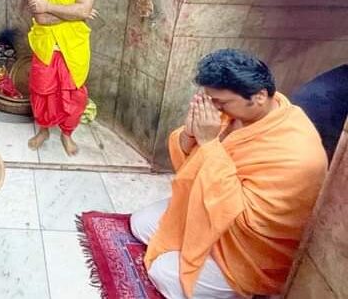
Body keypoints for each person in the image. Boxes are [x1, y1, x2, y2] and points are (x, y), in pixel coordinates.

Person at [130, 49, 328, 299]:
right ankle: (191, 248)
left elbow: (244, 220)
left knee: (163, 271)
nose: (214, 108)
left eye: (221, 102)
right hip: (212, 209)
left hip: (246, 250)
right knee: (140, 223)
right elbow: (191, 166)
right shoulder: (241, 111)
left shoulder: (297, 154)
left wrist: (209, 144)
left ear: (259, 96)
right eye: (210, 100)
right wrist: (190, 135)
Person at [25, 0, 97, 156]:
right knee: (41, 91)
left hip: (73, 47)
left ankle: (66, 134)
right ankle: (44, 130)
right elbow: (41, 19)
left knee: (74, 95)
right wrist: (75, 12)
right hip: (46, 46)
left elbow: (82, 10)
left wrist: (49, 6)